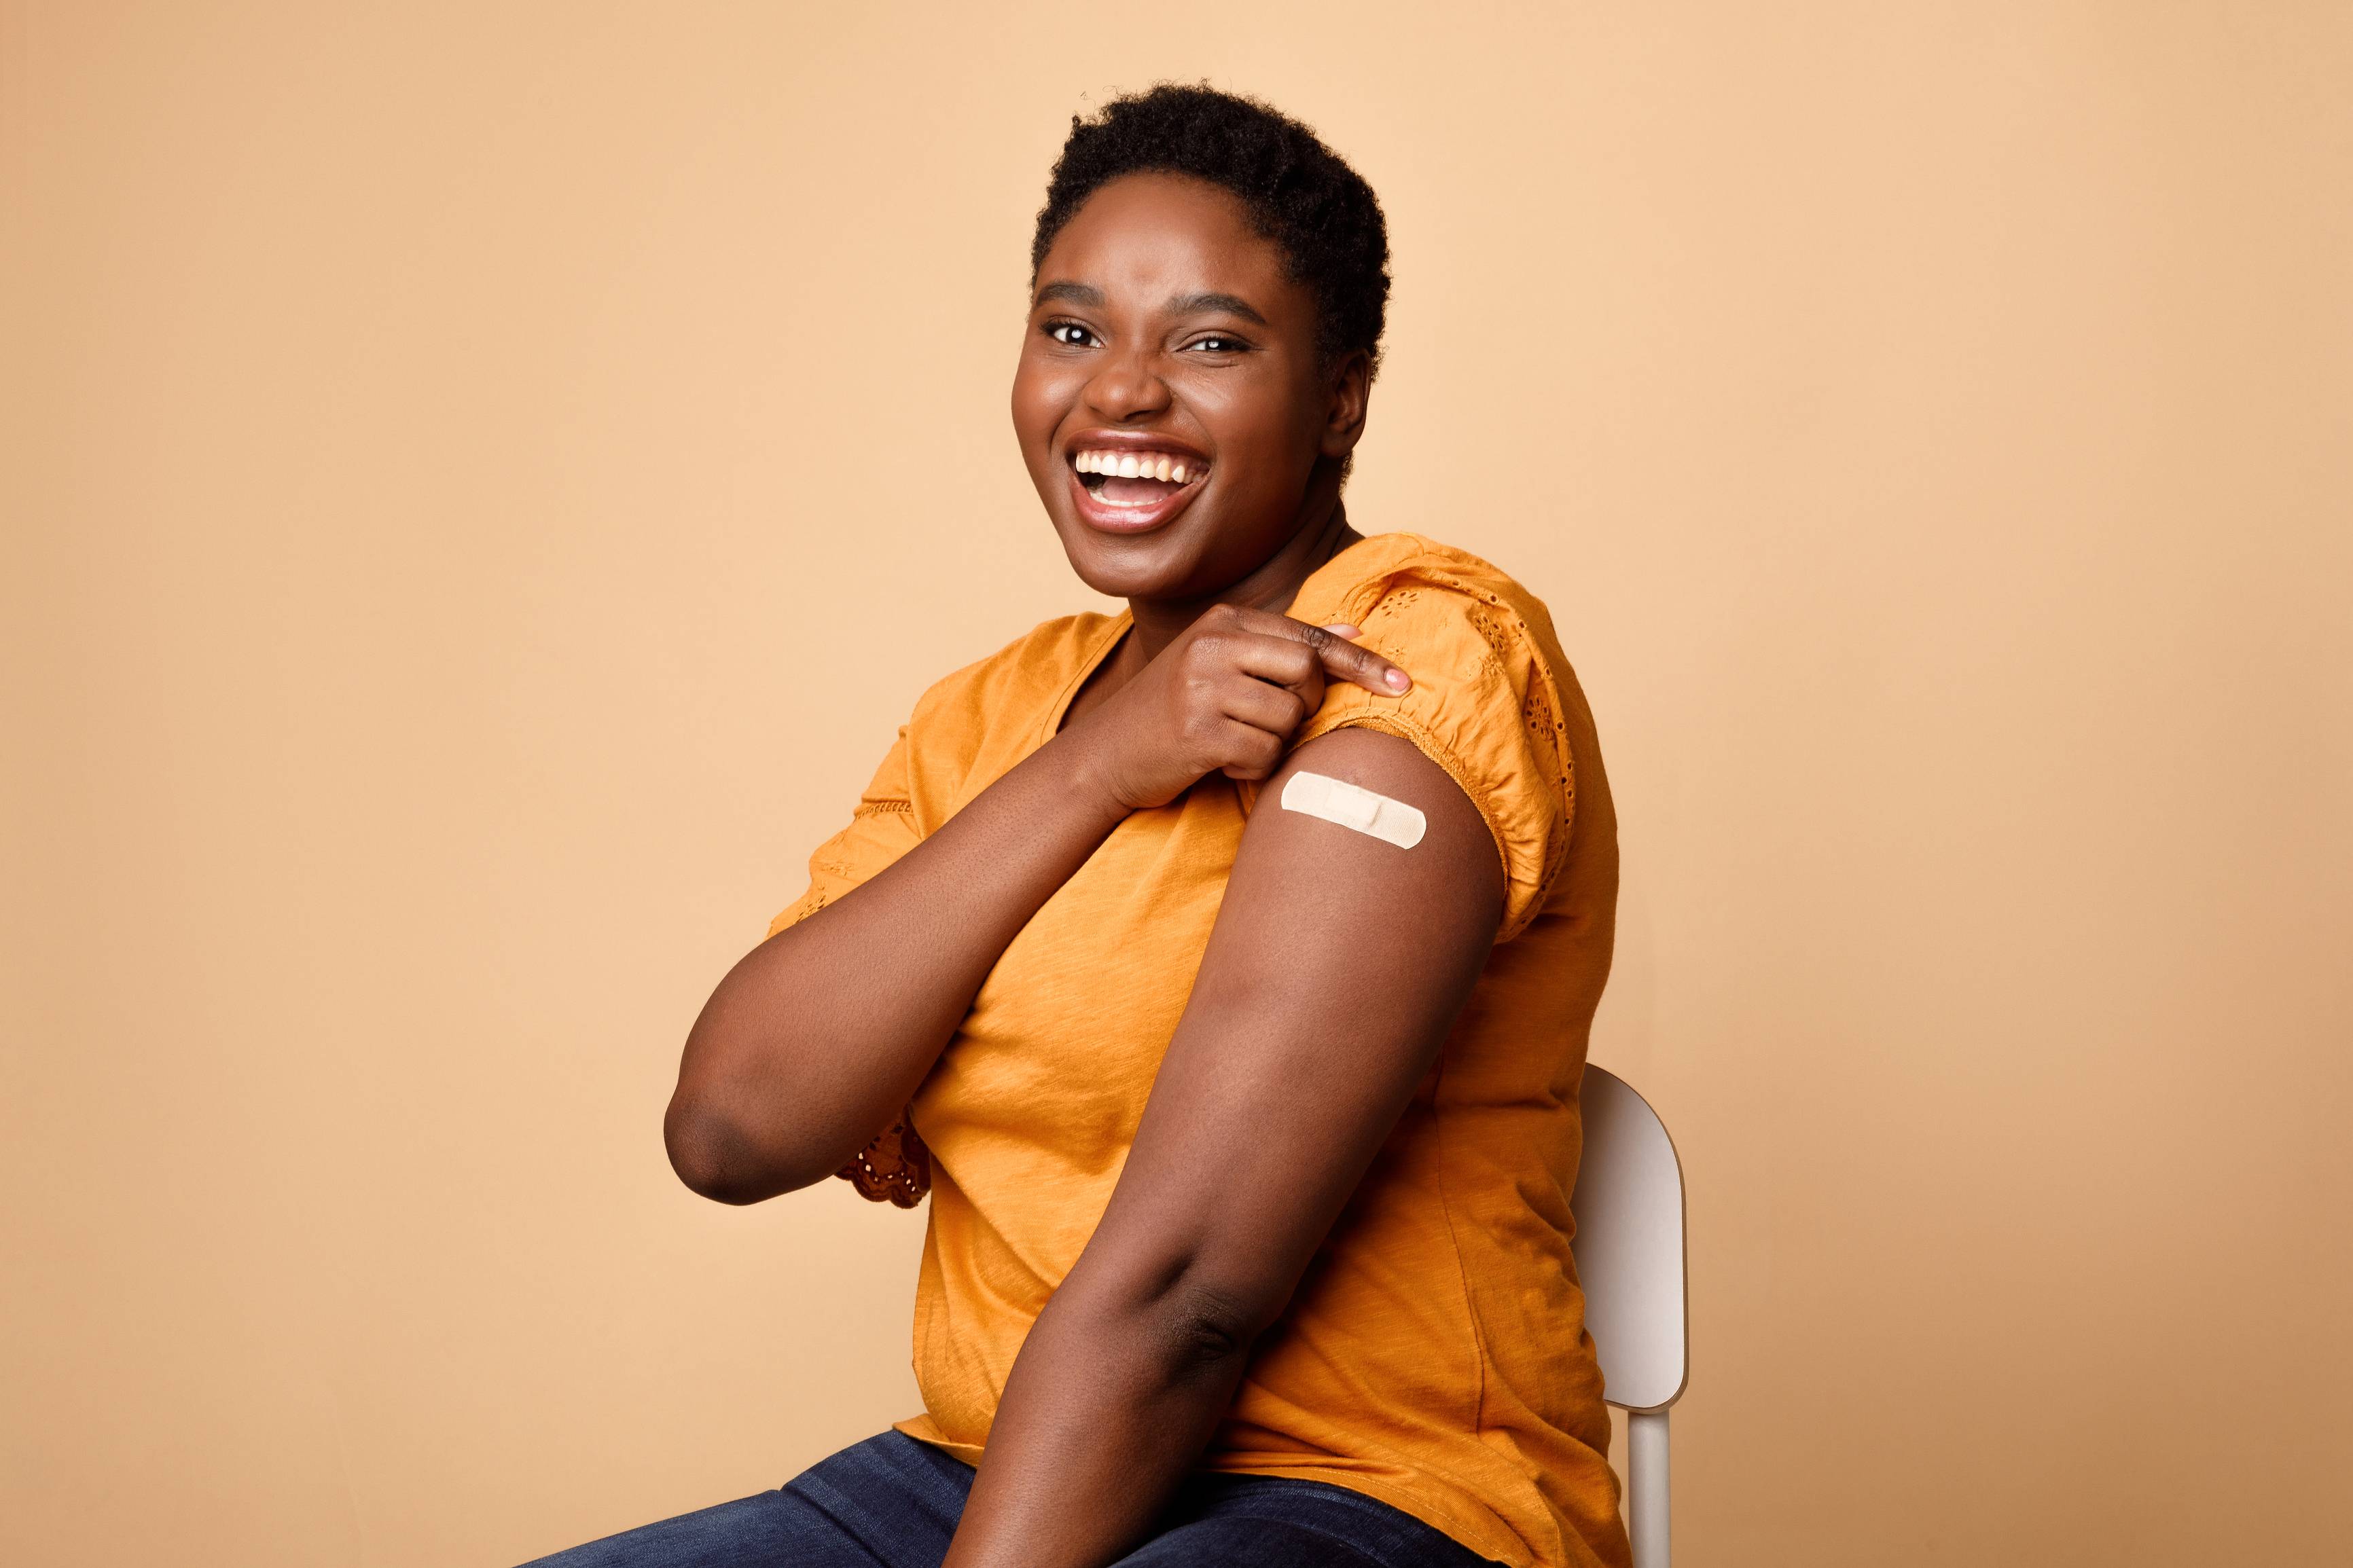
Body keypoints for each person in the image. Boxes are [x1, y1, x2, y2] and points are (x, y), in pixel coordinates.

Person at [527, 84, 1628, 1568]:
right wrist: (1098, 766)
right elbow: (732, 1127)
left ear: (1341, 398)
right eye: (1071, 330)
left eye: (1212, 343)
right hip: (978, 1475)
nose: (1121, 393)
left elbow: (1190, 1295)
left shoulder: (1413, 658)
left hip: (1368, 1499)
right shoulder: (989, 718)